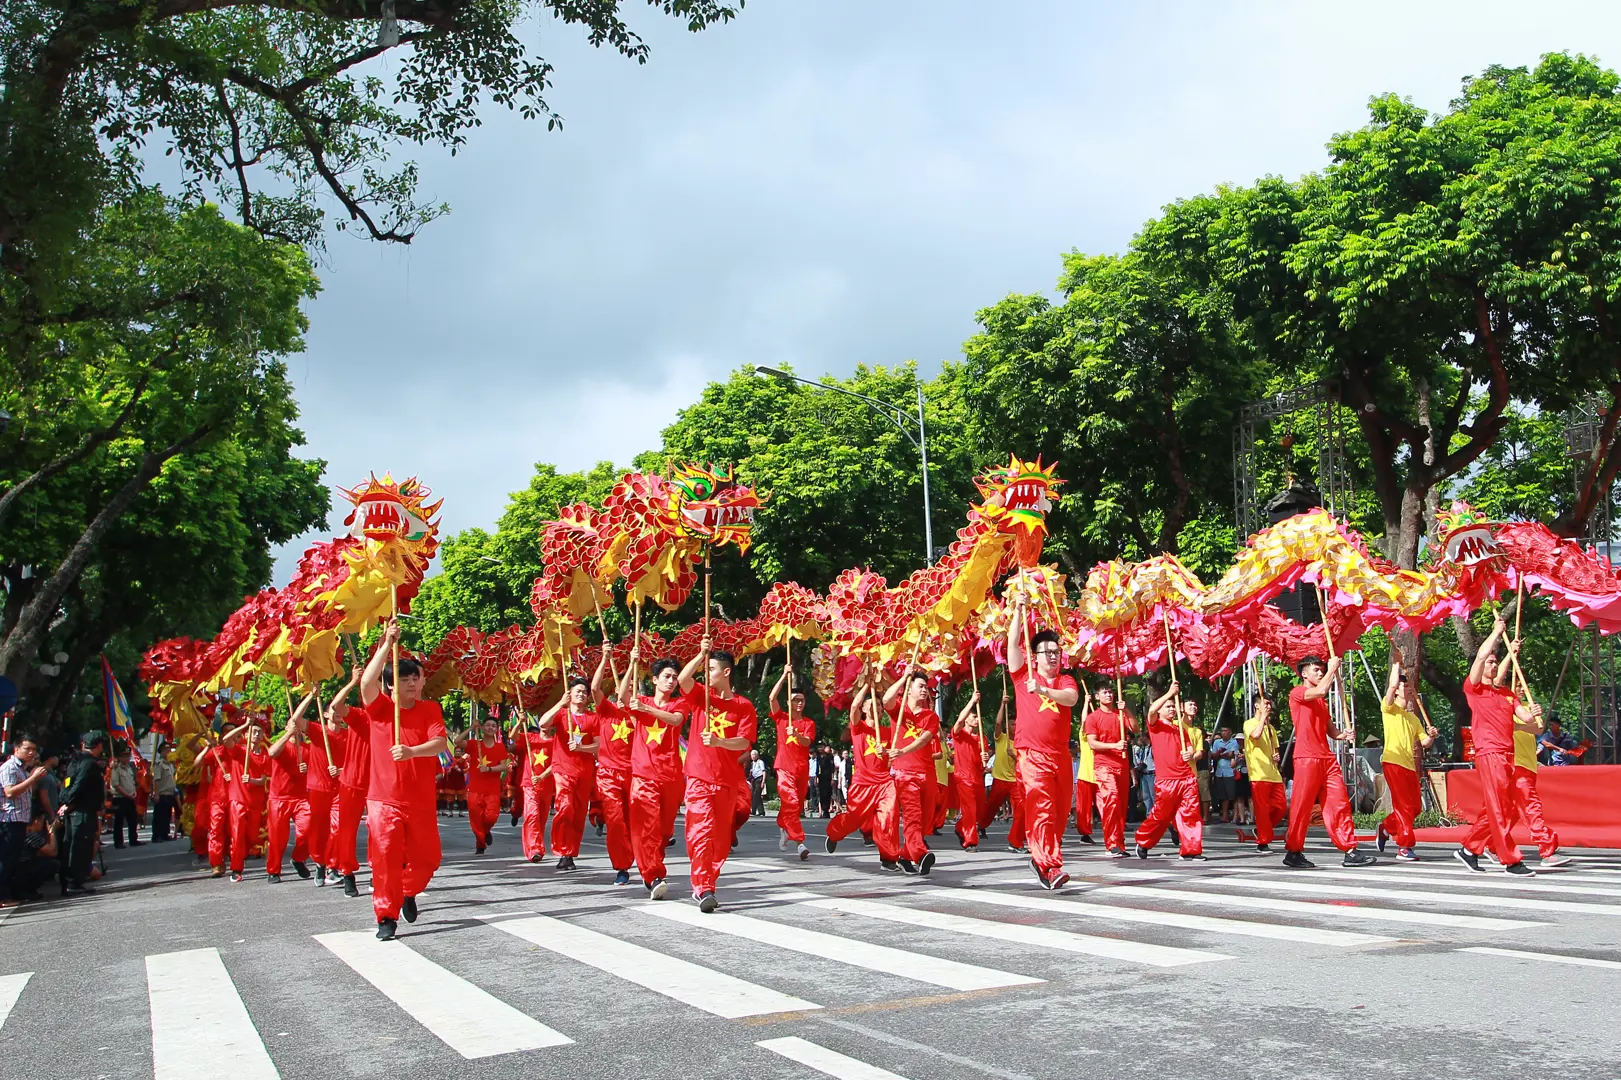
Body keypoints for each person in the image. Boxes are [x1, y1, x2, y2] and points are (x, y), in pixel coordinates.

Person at [358, 623, 451, 939]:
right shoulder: (381, 709)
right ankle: (386, 915)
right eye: (403, 679)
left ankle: (407, 891)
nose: (411, 684)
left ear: (424, 680)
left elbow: (440, 744)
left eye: (416, 678)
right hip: (383, 799)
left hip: (420, 799)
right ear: (391, 686)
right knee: (385, 858)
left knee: (429, 859)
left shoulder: (430, 709)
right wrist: (386, 644)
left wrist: (412, 751)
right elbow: (367, 683)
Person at [1456, 615, 1544, 876]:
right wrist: (1495, 634)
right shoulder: (1474, 689)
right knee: (1497, 807)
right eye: (1490, 663)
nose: (1493, 666)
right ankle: (1511, 859)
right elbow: (1482, 657)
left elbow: (1528, 719)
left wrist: (1534, 711)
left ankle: (1470, 848)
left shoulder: (1506, 694)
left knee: (1505, 807)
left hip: (1509, 755)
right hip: (1490, 754)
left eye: (1496, 663)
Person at [677, 642, 757, 912]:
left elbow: (744, 743)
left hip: (726, 779)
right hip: (699, 776)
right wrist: (701, 654)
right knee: (700, 831)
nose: (705, 672)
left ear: (726, 672)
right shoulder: (701, 696)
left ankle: (709, 880)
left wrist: (720, 741)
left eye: (710, 668)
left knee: (720, 840)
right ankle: (702, 887)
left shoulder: (743, 706)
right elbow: (683, 679)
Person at [1006, 603, 1080, 891]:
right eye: (1046, 652)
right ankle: (1049, 865)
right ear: (1033, 657)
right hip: (1031, 754)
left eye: (1055, 652)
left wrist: (1045, 690)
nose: (1052, 656)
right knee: (1043, 809)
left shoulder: (1065, 680)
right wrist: (1017, 609)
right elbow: (1013, 642)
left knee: (1061, 812)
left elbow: (1071, 699)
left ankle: (1042, 856)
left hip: (1060, 754)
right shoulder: (1022, 676)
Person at [1282, 655, 1375, 869]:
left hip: (1326, 757)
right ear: (1304, 674)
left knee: (1339, 802)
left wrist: (1343, 735)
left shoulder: (1321, 702)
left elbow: (1329, 728)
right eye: (1316, 670)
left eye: (1321, 669)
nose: (1320, 672)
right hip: (1306, 757)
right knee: (1302, 806)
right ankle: (1294, 851)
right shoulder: (1298, 693)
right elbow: (1321, 690)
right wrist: (1333, 668)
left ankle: (1350, 849)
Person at [538, 655, 608, 874]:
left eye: (583, 693)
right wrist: (560, 702)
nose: (581, 694)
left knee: (578, 812)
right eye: (577, 691)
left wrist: (581, 749)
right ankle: (561, 850)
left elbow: (598, 747)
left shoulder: (592, 718)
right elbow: (542, 723)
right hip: (562, 769)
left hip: (584, 771)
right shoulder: (561, 714)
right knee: (565, 807)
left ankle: (570, 853)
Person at [825, 677, 900, 867]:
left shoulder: (888, 732)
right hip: (863, 782)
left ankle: (889, 856)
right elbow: (853, 708)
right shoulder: (858, 728)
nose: (877, 707)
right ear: (865, 709)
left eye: (879, 705)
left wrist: (889, 753)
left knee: (888, 817)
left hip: (884, 781)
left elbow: (895, 754)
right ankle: (834, 833)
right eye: (872, 704)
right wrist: (868, 684)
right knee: (853, 820)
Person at [1133, 684, 1205, 860]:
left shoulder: (1180, 728)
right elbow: (1151, 710)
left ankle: (1190, 849)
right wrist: (1168, 694)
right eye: (1168, 706)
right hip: (1167, 779)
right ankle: (1143, 840)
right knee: (1161, 814)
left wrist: (1190, 753)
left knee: (1191, 812)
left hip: (1186, 776)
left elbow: (1190, 746)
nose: (1172, 708)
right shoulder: (1155, 725)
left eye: (1173, 706)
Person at [881, 668, 941, 876]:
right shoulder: (899, 710)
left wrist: (902, 750)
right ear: (909, 690)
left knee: (926, 822)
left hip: (927, 773)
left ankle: (904, 855)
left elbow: (924, 738)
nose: (925, 690)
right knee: (913, 817)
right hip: (905, 773)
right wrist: (903, 678)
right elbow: (886, 700)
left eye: (926, 687)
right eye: (920, 686)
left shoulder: (931, 716)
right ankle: (921, 854)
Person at [1375, 663, 1437, 862]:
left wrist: (1432, 735)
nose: (1408, 688)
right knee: (1403, 806)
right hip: (1392, 762)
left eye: (1409, 686)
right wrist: (1395, 664)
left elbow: (1425, 743)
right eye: (1405, 686)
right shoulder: (1389, 709)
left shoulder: (1413, 718)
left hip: (1409, 765)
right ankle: (1404, 846)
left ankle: (1387, 827)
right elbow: (1391, 687)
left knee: (1416, 807)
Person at [1507, 693, 1571, 868]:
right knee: (1530, 806)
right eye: (1517, 685)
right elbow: (1506, 726)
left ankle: (1478, 845)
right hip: (1513, 763)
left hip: (1529, 764)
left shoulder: (1526, 706)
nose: (1520, 689)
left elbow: (1538, 729)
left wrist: (1533, 716)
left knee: (1510, 811)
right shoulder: (1501, 704)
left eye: (1521, 685)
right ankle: (1546, 848)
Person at [303, 681, 350, 887]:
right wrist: (311, 697)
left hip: (340, 788)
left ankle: (332, 867)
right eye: (333, 709)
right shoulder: (316, 731)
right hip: (318, 788)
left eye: (340, 708)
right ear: (325, 714)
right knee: (317, 831)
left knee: (338, 828)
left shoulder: (349, 735)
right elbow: (295, 720)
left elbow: (357, 761)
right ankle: (319, 863)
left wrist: (342, 771)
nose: (337, 712)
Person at [1082, 682, 1136, 856]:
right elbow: (1092, 743)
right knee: (1111, 799)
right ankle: (1111, 843)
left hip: (1122, 765)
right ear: (1097, 697)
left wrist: (1126, 710)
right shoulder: (1093, 718)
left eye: (1110, 692)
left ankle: (1119, 844)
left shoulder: (1120, 715)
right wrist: (1115, 745)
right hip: (1104, 765)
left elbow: (1136, 728)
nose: (1109, 695)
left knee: (1120, 806)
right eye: (1104, 692)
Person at [768, 671, 816, 861]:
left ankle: (783, 824)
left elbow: (806, 742)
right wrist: (784, 675)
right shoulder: (780, 717)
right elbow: (772, 697)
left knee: (795, 808)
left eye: (802, 700)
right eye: (795, 699)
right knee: (792, 802)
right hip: (784, 767)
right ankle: (800, 843)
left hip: (801, 769)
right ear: (788, 702)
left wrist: (795, 734)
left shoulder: (808, 723)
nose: (799, 703)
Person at [265, 699, 314, 883]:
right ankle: (274, 870)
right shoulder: (282, 745)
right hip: (279, 798)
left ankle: (299, 858)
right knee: (277, 839)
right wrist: (288, 735)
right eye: (292, 724)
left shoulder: (308, 748)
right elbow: (271, 753)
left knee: (308, 830)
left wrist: (307, 770)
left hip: (301, 798)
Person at [58, 732, 108, 896]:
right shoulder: (88, 764)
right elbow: (78, 784)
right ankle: (75, 882)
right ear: (99, 746)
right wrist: (69, 800)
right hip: (83, 810)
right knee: (80, 846)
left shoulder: (75, 761)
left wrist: (65, 800)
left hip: (74, 809)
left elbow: (67, 782)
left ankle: (70, 881)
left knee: (72, 845)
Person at [0, 738, 47, 904]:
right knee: (6, 858)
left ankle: (11, 892)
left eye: (34, 749)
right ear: (16, 749)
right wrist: (33, 779)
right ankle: (3, 896)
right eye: (27, 749)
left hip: (20, 819)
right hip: (9, 819)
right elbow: (10, 792)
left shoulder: (23, 769)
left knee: (14, 859)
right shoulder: (9, 768)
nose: (31, 753)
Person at [978, 698, 1025, 849]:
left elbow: (1024, 761)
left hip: (1015, 781)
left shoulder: (1021, 741)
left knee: (1021, 809)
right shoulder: (1001, 738)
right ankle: (981, 825)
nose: (1015, 726)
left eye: (1016, 723)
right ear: (1007, 725)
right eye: (1012, 724)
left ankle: (1015, 840)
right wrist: (1002, 704)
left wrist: (1014, 756)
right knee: (991, 808)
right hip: (999, 779)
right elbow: (997, 724)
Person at [1243, 696, 1287, 852]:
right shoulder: (1249, 724)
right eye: (1265, 703)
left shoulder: (1271, 729)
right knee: (1262, 810)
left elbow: (1275, 750)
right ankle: (1263, 842)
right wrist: (1263, 719)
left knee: (1281, 808)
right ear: (1256, 705)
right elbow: (1255, 735)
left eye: (1270, 703)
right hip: (1258, 774)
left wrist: (1276, 756)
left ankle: (1262, 829)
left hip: (1273, 773)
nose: (1269, 706)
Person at [465, 716, 511, 855]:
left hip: (492, 789)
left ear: (496, 730)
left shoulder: (499, 747)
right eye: (487, 725)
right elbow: (457, 741)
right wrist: (471, 728)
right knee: (475, 817)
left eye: (493, 726)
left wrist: (490, 769)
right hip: (474, 788)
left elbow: (504, 766)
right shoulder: (474, 744)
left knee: (491, 817)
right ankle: (480, 843)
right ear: (483, 727)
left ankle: (485, 832)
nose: (490, 727)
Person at [950, 691, 986, 850]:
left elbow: (980, 764)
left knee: (979, 812)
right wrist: (972, 701)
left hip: (977, 778)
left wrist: (984, 758)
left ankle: (959, 827)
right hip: (963, 778)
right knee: (970, 810)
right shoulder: (959, 735)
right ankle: (970, 841)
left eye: (978, 717)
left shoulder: (981, 739)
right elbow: (958, 721)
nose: (977, 720)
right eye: (974, 717)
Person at [109, 742, 141, 848]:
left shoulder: (129, 768)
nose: (127, 758)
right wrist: (127, 794)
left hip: (130, 797)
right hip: (120, 798)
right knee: (119, 821)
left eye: (128, 756)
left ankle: (133, 839)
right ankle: (118, 842)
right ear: (119, 757)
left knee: (133, 820)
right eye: (124, 756)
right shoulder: (116, 769)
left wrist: (134, 792)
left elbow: (131, 782)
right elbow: (116, 784)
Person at [1208, 725, 1239, 823]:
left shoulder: (1235, 742)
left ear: (1230, 731)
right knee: (1223, 796)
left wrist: (1221, 754)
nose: (1223, 733)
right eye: (1222, 731)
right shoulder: (1217, 742)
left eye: (1225, 730)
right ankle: (1224, 816)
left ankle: (1235, 816)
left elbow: (1232, 754)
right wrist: (1221, 754)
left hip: (1230, 772)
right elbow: (1213, 755)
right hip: (1219, 772)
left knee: (1233, 795)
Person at [150, 742, 178, 842]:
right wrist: (156, 793)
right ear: (161, 752)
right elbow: (156, 780)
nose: (168, 752)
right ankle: (157, 836)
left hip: (170, 793)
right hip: (162, 794)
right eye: (166, 750)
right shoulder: (159, 764)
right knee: (159, 816)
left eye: (169, 750)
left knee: (167, 816)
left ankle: (165, 834)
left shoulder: (170, 764)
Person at [1132, 730, 1155, 821]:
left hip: (1152, 773)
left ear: (1146, 737)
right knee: (1146, 796)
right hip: (1144, 774)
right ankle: (1149, 815)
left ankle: (1156, 814)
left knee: (1154, 795)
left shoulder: (1153, 748)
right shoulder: (1143, 749)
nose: (1140, 739)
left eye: (1142, 737)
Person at [748, 751, 767, 816]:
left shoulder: (760, 762)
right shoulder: (752, 763)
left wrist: (763, 781)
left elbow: (764, 771)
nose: (753, 756)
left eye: (754, 755)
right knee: (756, 795)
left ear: (757, 755)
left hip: (759, 779)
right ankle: (761, 811)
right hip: (754, 779)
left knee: (756, 795)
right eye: (752, 755)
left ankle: (753, 811)